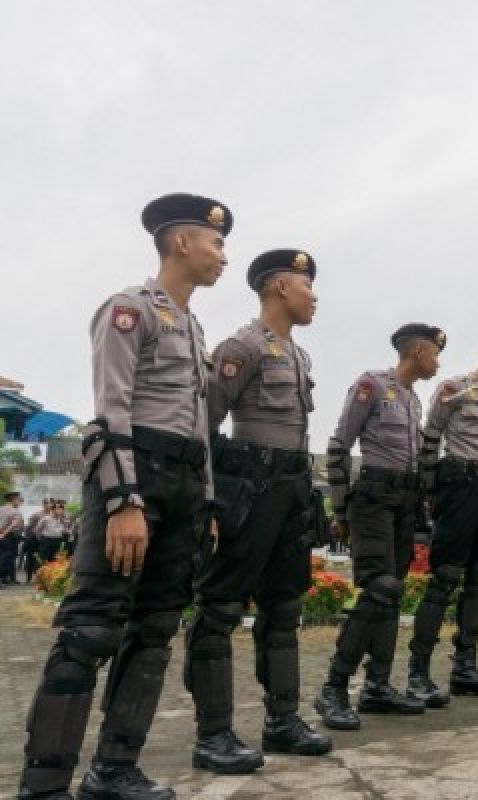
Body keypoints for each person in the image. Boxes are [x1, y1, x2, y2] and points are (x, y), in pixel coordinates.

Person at [18, 192, 229, 800]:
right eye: (214, 242)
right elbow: (110, 414)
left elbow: (200, 427)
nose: (221, 255)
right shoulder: (127, 310)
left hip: (186, 485)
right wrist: (123, 502)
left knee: (157, 629)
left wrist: (208, 503)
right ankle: (44, 782)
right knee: (89, 631)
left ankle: (113, 770)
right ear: (182, 242)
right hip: (138, 479)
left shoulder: (193, 326)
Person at [185, 249, 331, 775]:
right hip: (250, 484)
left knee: (284, 606)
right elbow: (203, 422)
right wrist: (210, 500)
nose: (314, 295)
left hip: (291, 487)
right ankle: (213, 734)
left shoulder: (299, 355)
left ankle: (283, 720)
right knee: (221, 607)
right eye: (306, 283)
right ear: (277, 288)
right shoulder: (241, 347)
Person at [314, 324, 445, 729]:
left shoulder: (414, 400)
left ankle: (377, 687)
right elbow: (339, 444)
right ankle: (333, 687)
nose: (438, 361)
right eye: (435, 352)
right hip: (372, 497)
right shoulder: (371, 385)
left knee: (392, 591)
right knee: (378, 588)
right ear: (418, 351)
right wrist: (339, 509)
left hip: (404, 502)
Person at [407, 325, 478, 703]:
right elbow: (430, 438)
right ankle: (418, 672)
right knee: (445, 577)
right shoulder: (454, 388)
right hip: (458, 484)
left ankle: (464, 668)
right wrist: (428, 490)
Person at [0, 491, 23, 586]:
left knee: (2, 557)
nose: (18, 501)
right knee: (6, 558)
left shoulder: (1, 509)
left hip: (2, 535)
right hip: (8, 537)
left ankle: (4, 579)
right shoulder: (15, 511)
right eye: (18, 499)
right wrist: (4, 533)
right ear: (13, 499)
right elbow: (13, 525)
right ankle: (2, 579)